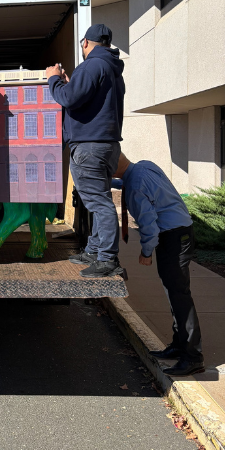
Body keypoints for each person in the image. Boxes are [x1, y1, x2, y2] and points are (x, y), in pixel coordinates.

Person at [48, 23, 127, 278]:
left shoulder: (92, 65)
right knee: (96, 200)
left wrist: (53, 78)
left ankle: (107, 259)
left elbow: (68, 99)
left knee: (99, 202)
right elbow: (85, 98)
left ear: (85, 43)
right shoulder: (111, 69)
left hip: (90, 146)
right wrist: (72, 84)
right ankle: (94, 250)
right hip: (105, 144)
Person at [115, 155, 202, 376]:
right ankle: (179, 345)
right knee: (173, 291)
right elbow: (130, 183)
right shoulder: (144, 166)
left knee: (180, 295)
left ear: (113, 167)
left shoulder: (134, 187)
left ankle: (193, 357)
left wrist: (146, 251)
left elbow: (148, 225)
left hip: (172, 238)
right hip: (180, 232)